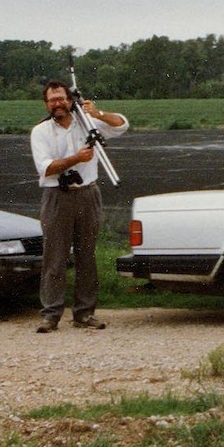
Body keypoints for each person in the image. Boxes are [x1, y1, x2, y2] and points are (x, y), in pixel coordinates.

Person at [31, 79, 129, 333]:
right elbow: (47, 167)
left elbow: (122, 125)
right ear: (46, 104)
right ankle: (51, 315)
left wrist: (97, 113)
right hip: (56, 196)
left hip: (88, 193)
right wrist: (76, 158)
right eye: (52, 100)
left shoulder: (87, 123)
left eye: (62, 98)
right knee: (55, 257)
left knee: (87, 256)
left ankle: (84, 314)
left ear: (70, 100)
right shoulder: (40, 132)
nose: (57, 104)